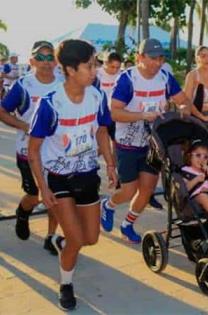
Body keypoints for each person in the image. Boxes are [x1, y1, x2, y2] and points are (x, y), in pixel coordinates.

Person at [27, 39, 117, 310]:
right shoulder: (51, 104)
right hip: (59, 179)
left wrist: (111, 165)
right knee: (77, 241)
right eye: (89, 66)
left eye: (95, 65)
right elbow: (33, 150)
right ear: (68, 69)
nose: (95, 71)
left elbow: (102, 130)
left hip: (88, 174)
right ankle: (66, 284)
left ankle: (62, 242)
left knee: (90, 238)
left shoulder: (97, 96)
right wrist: (43, 188)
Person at [100, 38, 192, 243]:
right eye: (152, 58)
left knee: (147, 189)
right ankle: (108, 206)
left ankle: (127, 225)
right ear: (139, 57)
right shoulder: (127, 79)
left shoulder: (165, 77)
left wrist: (184, 108)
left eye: (160, 58)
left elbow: (182, 99)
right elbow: (114, 113)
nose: (157, 63)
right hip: (128, 144)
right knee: (128, 190)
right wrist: (142, 116)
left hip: (154, 145)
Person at [0, 41, 61, 253]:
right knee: (34, 196)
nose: (45, 62)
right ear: (32, 61)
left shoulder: (63, 83)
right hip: (27, 151)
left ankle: (51, 236)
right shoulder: (23, 85)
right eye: (40, 58)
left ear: (55, 61)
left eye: (49, 57)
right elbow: (2, 111)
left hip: (55, 152)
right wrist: (25, 126)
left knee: (55, 195)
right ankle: (23, 212)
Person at [184, 46, 208, 132]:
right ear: (197, 59)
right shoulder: (192, 76)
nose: (207, 59)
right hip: (195, 116)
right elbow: (187, 101)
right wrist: (202, 117)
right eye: (203, 56)